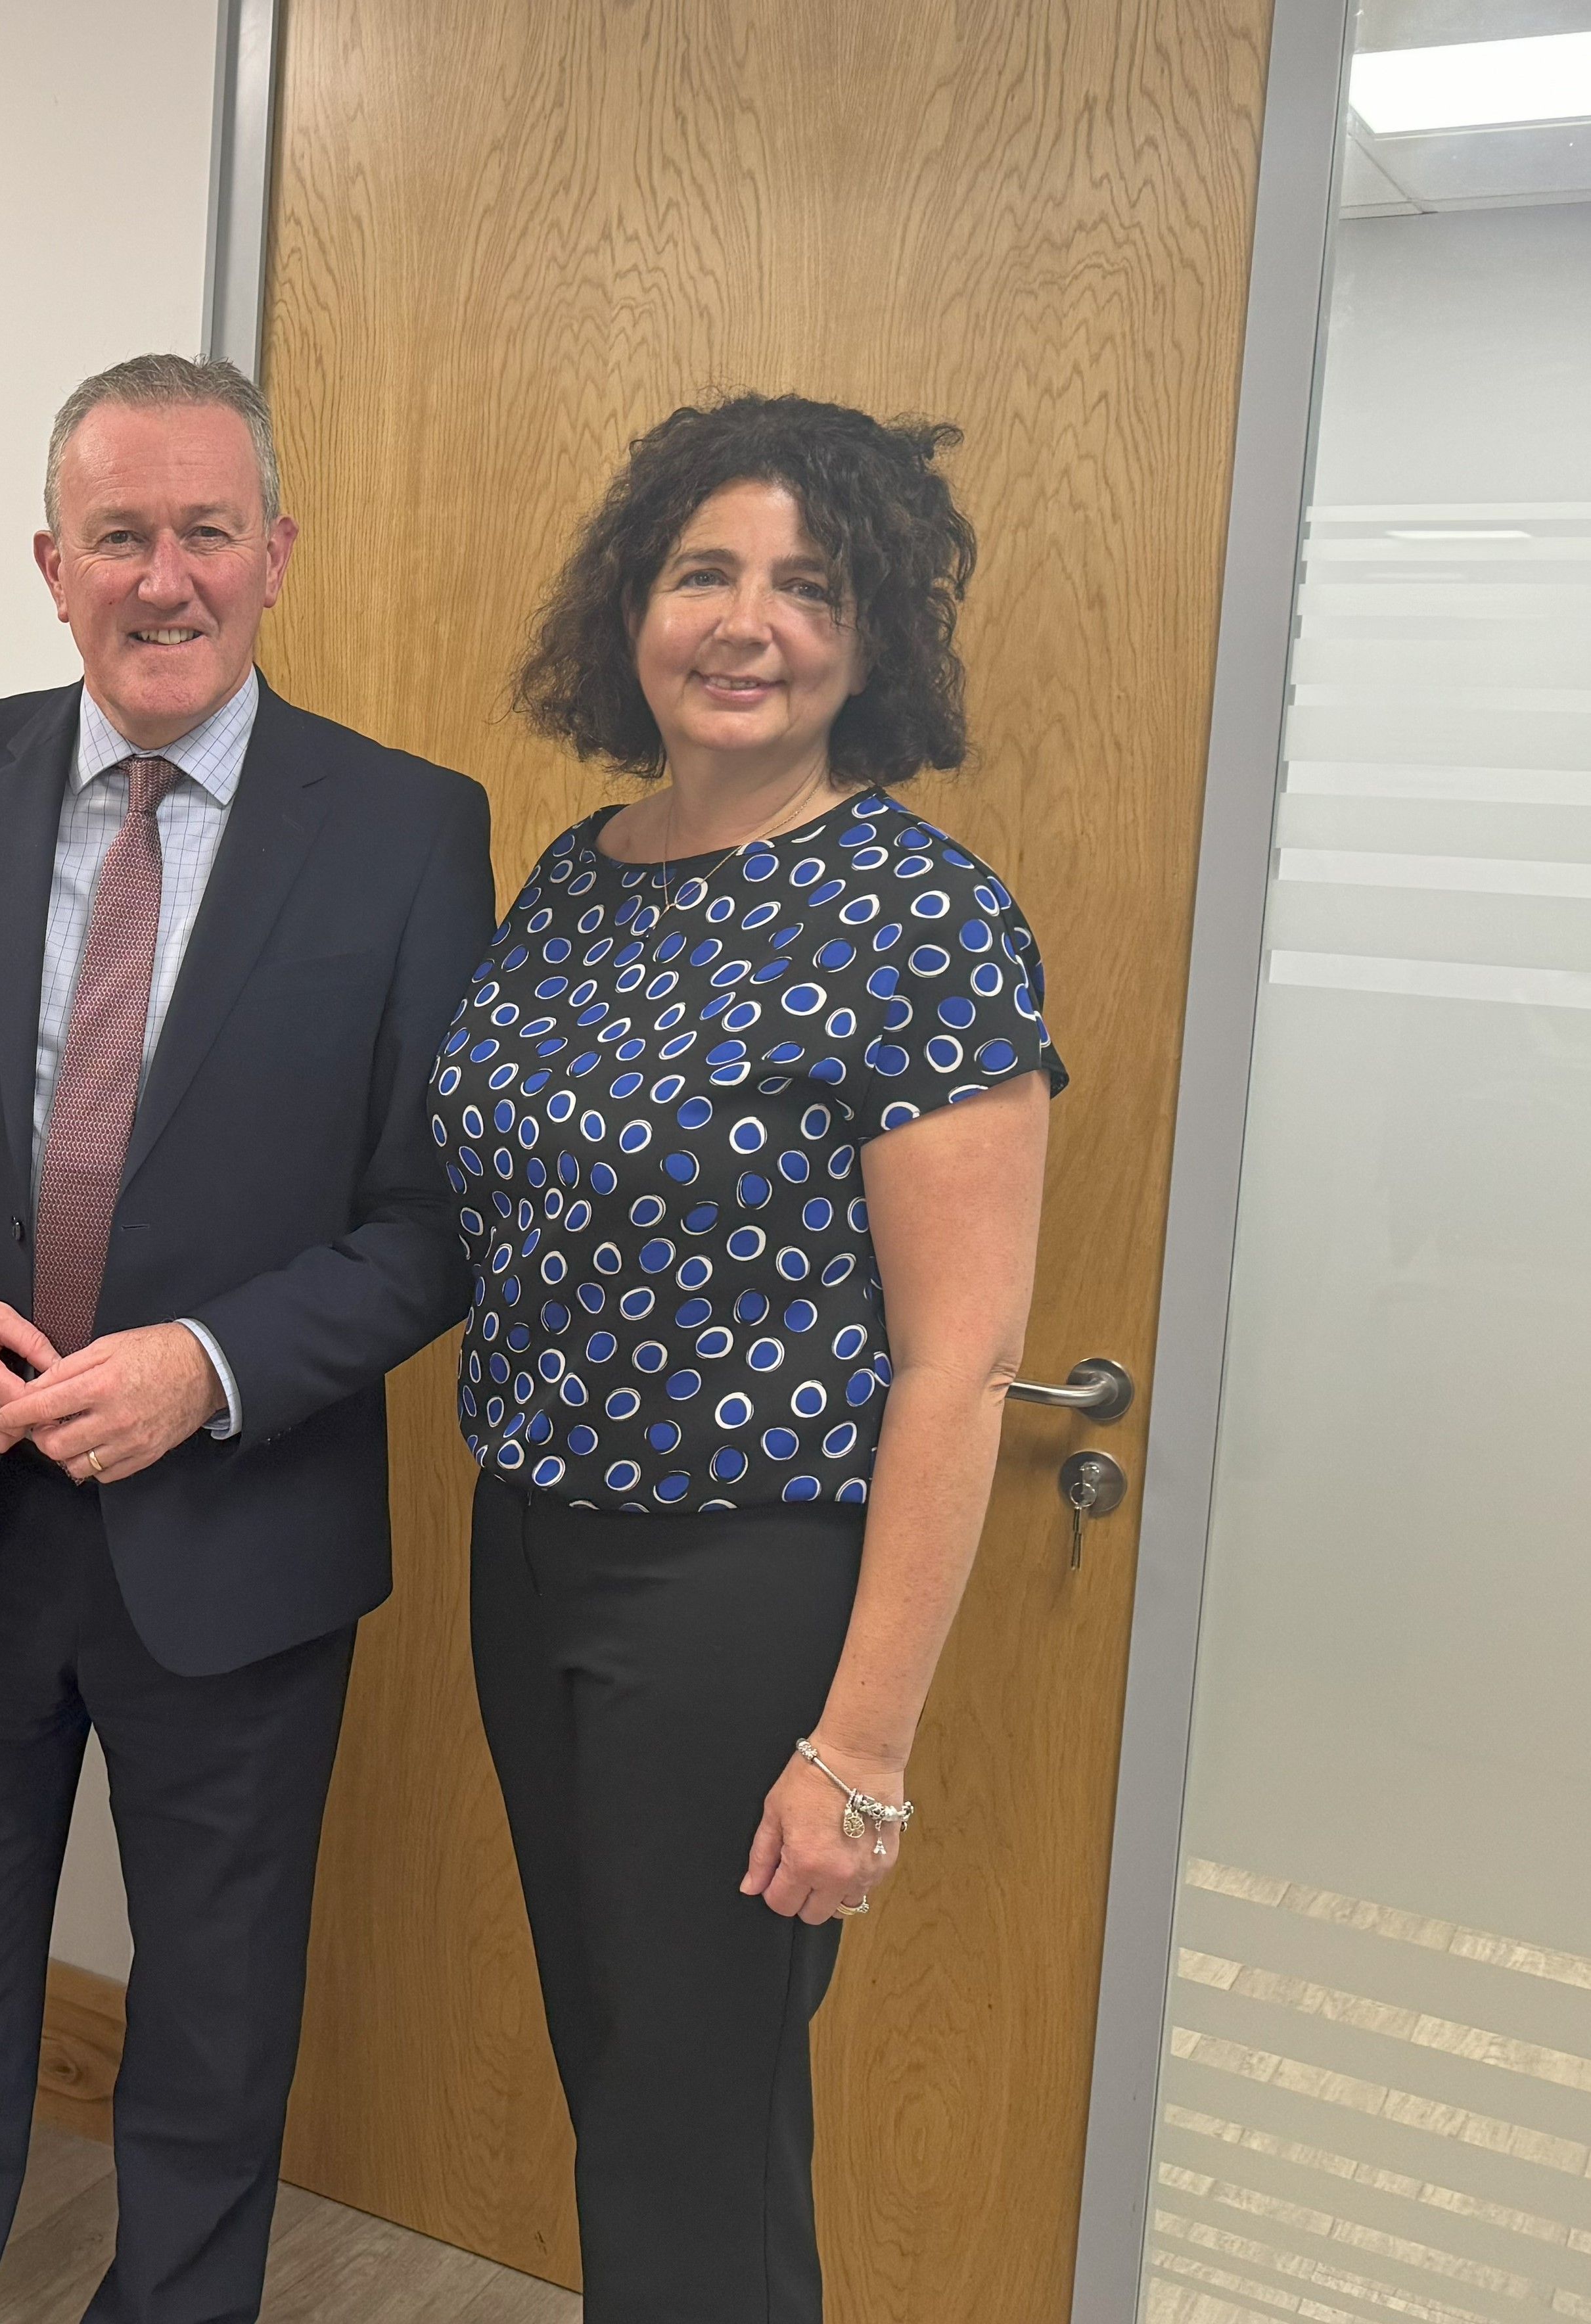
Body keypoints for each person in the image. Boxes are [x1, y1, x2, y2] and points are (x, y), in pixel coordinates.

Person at [0, 354, 494, 2324]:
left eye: (207, 531)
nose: (164, 577)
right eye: (121, 535)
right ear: (53, 563)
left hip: (243, 1537)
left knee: (211, 2028)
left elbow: (434, 1222)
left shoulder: (410, 829)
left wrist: (214, 1367)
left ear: (277, 554)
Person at [444, 392, 1062, 2320]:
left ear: (873, 642)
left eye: (810, 585)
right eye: (705, 569)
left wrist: (860, 1751)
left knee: (690, 2122)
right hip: (527, 1549)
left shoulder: (923, 921)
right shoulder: (575, 874)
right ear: (634, 606)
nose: (749, 620)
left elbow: (960, 1366)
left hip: (742, 1591)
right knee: (625, 2077)